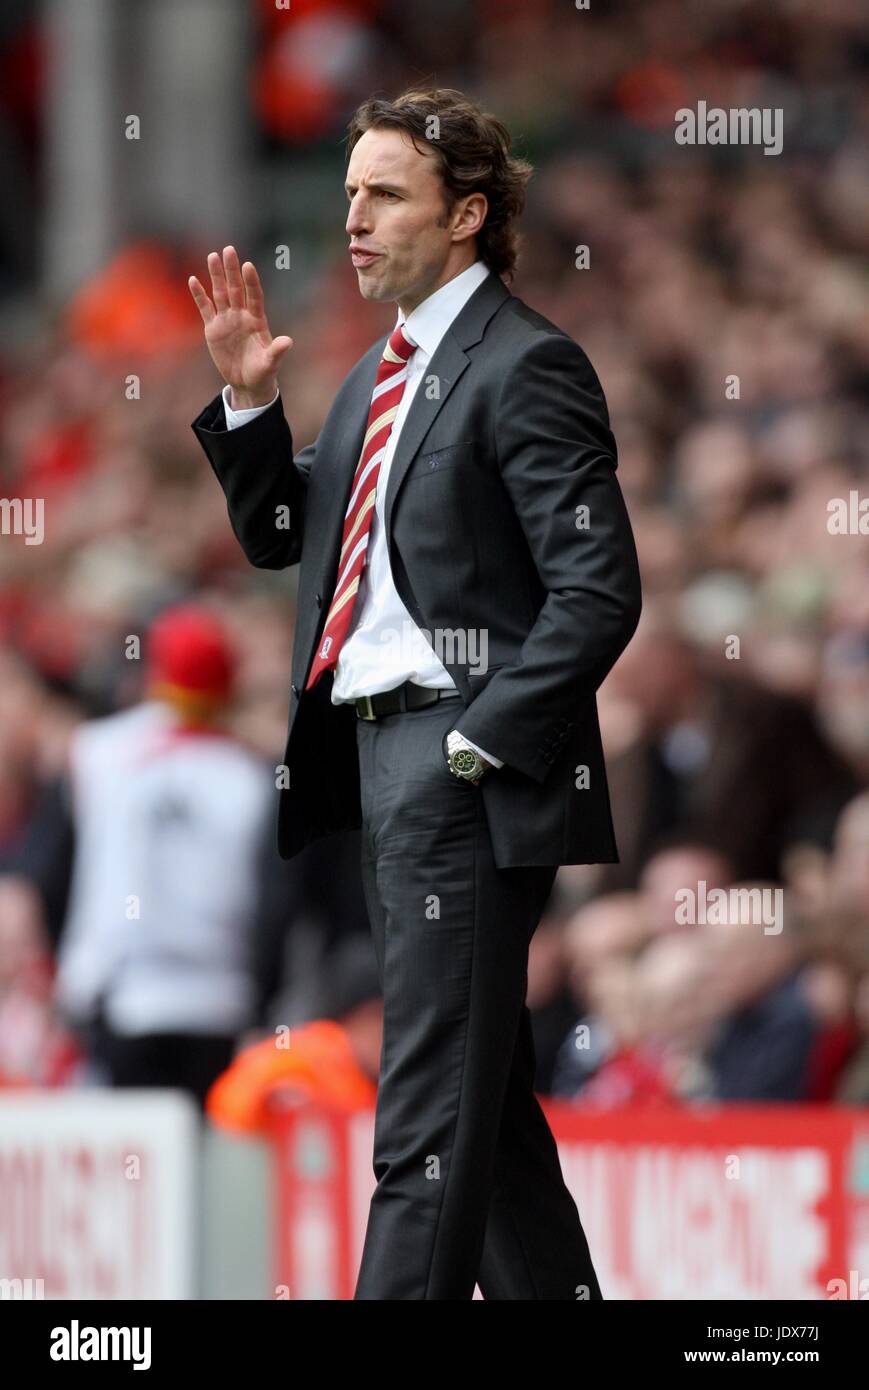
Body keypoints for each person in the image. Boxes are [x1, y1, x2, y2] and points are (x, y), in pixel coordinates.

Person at [189, 87, 641, 1300]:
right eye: (347, 194)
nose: (353, 217)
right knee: (479, 1116)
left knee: (423, 1118)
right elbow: (292, 534)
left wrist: (479, 742)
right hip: (381, 764)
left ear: (465, 216)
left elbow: (597, 590)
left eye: (384, 193)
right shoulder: (374, 376)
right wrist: (246, 402)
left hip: (457, 766)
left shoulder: (528, 362)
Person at [55, 603, 274, 1108]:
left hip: (128, 1001)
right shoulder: (251, 775)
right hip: (222, 1001)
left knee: (139, 1169)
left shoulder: (100, 752)